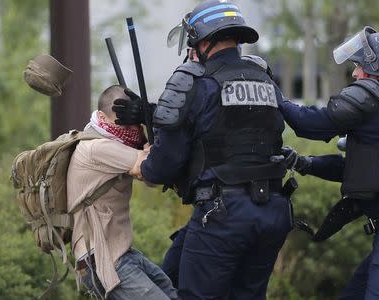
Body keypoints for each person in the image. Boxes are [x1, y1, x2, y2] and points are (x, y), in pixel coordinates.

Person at [113, 1, 293, 299]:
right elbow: (226, 127)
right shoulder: (263, 79)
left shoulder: (191, 80)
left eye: (193, 43)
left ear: (205, 41)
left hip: (223, 216)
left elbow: (162, 167)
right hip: (272, 212)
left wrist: (145, 165)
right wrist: (153, 113)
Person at [280, 26, 379, 299]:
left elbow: (309, 124)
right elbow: (360, 169)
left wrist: (273, 93)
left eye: (359, 67)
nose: (354, 73)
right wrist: (305, 163)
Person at [67, 85, 178, 300]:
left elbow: (153, 181)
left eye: (134, 123)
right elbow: (152, 170)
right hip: (101, 260)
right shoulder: (98, 147)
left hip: (121, 254)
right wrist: (153, 123)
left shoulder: (117, 141)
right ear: (101, 117)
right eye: (122, 122)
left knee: (173, 294)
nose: (130, 129)